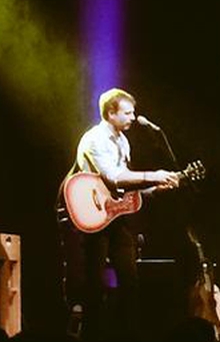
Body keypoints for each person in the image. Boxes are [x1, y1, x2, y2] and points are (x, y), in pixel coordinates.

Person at [71, 88, 179, 341]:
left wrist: (154, 189)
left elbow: (125, 188)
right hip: (93, 214)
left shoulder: (122, 140)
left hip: (115, 217)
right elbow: (112, 176)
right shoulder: (95, 139)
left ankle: (127, 333)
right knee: (94, 285)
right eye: (127, 112)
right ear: (111, 113)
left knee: (130, 282)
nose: (133, 117)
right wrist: (152, 175)